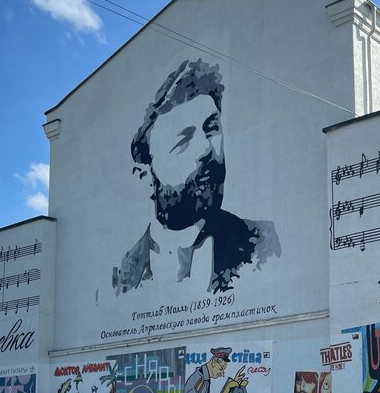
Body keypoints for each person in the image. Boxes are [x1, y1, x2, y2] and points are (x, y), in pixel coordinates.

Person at [112, 59, 281, 295]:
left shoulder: (261, 245)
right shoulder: (121, 277)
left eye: (211, 129)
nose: (207, 149)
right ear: (144, 174)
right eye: (184, 139)